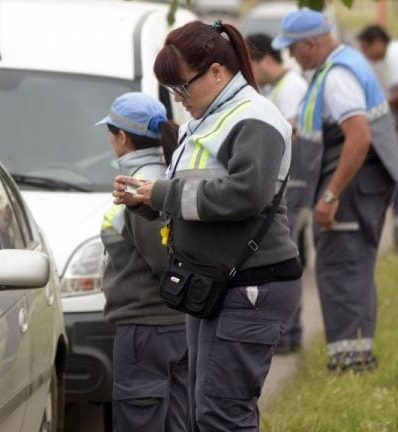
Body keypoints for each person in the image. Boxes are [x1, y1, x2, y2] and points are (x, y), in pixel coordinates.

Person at [112, 20, 303, 431]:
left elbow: (245, 195)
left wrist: (159, 194)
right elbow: (195, 195)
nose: (179, 100)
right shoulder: (207, 119)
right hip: (212, 283)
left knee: (221, 415)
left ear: (217, 72)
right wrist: (145, 200)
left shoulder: (253, 117)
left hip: (248, 284)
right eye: (171, 91)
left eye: (183, 87)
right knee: (207, 413)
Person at [272, 8, 398, 372]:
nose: (290, 56)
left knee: (343, 270)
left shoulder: (338, 75)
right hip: (358, 190)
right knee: (348, 269)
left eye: (293, 48)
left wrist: (330, 194)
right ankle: (352, 358)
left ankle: (352, 363)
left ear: (311, 42)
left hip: (350, 193)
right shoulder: (336, 67)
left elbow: (358, 137)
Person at [96, 92, 187, 431]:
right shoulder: (171, 169)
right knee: (178, 421)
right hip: (178, 324)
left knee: (141, 421)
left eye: (110, 132)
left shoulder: (139, 185)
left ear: (121, 137)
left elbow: (165, 258)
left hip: (147, 327)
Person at [247, 32, 311, 354]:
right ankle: (288, 335)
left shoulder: (292, 88)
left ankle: (289, 336)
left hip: (294, 183)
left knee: (287, 254)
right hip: (291, 183)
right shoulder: (281, 88)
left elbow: (292, 134)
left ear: (262, 59)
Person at [357, 24, 398, 246]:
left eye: (365, 48)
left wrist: (378, 107)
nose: (365, 54)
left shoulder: (393, 54)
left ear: (377, 42)